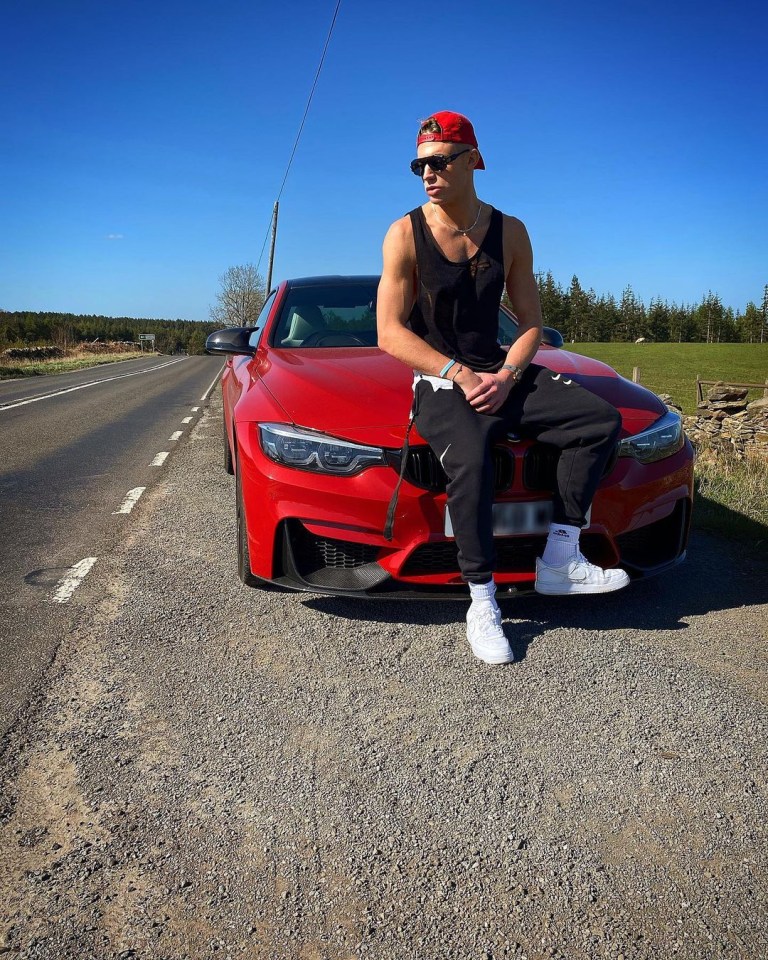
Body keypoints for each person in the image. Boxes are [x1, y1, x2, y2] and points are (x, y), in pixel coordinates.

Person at [377, 110, 629, 666]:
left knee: (599, 422)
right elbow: (389, 333)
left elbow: (532, 323)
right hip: (440, 378)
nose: (427, 173)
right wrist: (458, 374)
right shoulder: (404, 234)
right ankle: (482, 602)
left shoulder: (510, 231)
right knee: (471, 459)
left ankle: (560, 559)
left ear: (474, 161)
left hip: (500, 369)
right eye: (419, 164)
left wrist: (508, 373)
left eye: (439, 161)